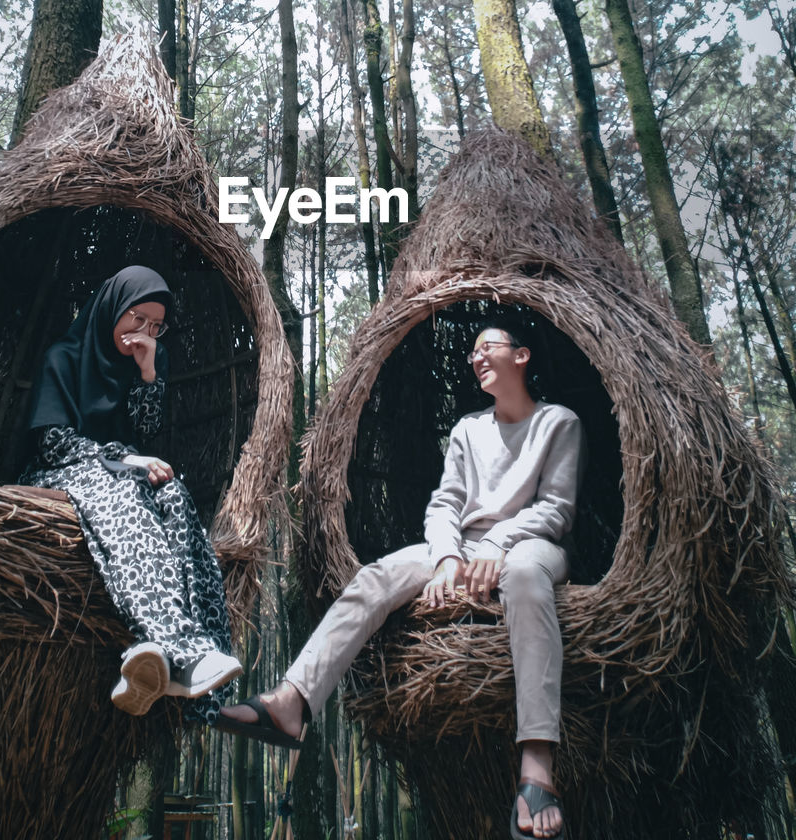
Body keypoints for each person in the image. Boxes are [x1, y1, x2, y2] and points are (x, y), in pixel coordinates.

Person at [218, 318, 581, 840]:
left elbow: (556, 508)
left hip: (532, 547)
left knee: (524, 576)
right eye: (473, 352)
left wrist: (501, 549)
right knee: (375, 578)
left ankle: (537, 767)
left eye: (488, 349)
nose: (477, 358)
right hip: (462, 545)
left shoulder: (559, 423)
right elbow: (446, 504)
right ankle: (291, 702)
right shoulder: (467, 430)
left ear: (521, 356)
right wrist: (448, 560)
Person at [19, 265, 241, 722]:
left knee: (175, 496)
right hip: (59, 473)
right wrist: (125, 458)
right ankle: (181, 650)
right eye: (137, 319)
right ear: (113, 309)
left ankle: (192, 666)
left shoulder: (134, 369)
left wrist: (146, 372)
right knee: (121, 489)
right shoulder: (63, 358)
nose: (144, 332)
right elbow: (52, 441)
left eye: (156, 326)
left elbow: (146, 431)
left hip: (118, 472)